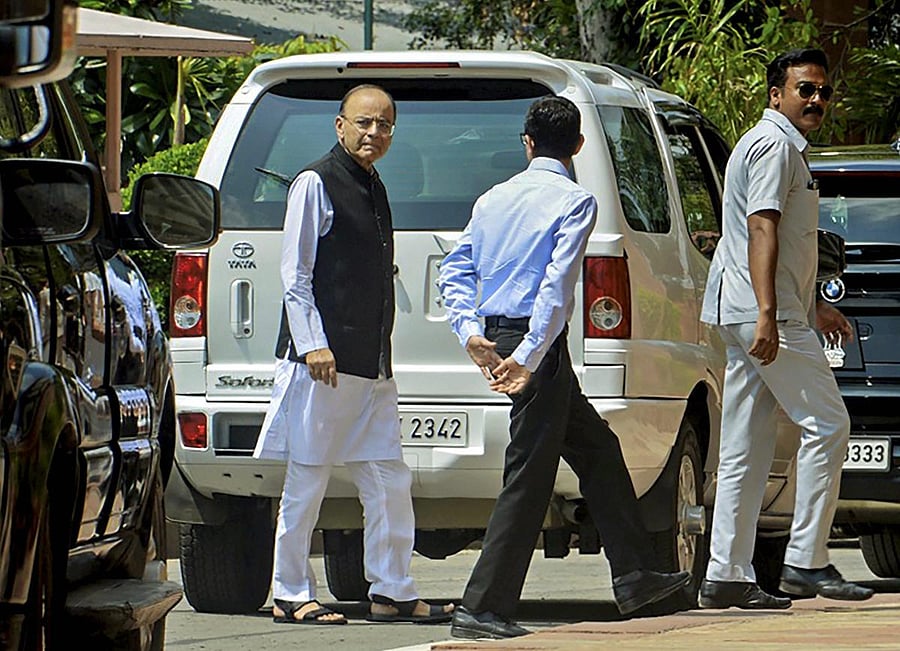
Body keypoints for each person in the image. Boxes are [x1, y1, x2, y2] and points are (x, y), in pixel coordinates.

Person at [438, 95, 691, 640]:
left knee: (598, 448)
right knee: (528, 475)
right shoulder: (575, 201)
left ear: (526, 143)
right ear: (577, 146)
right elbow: (555, 289)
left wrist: (471, 333)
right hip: (538, 345)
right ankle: (481, 608)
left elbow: (455, 271)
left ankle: (635, 575)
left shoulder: (491, 200)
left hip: (505, 335)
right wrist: (529, 358)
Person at [253, 84, 454, 625]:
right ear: (340, 126)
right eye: (364, 123)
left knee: (388, 477)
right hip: (323, 363)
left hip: (371, 362)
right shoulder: (315, 182)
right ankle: (291, 592)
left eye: (384, 125)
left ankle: (392, 589)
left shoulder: (373, 184)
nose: (374, 134)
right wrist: (312, 342)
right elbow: (294, 276)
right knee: (309, 475)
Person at [698, 48, 874, 609]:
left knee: (745, 447)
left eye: (822, 90)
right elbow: (761, 228)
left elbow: (787, 241)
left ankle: (726, 573)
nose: (816, 99)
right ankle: (806, 560)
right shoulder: (775, 145)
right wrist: (773, 313)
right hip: (762, 313)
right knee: (828, 423)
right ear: (777, 95)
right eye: (805, 89)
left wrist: (811, 304)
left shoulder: (769, 143)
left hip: (748, 308)